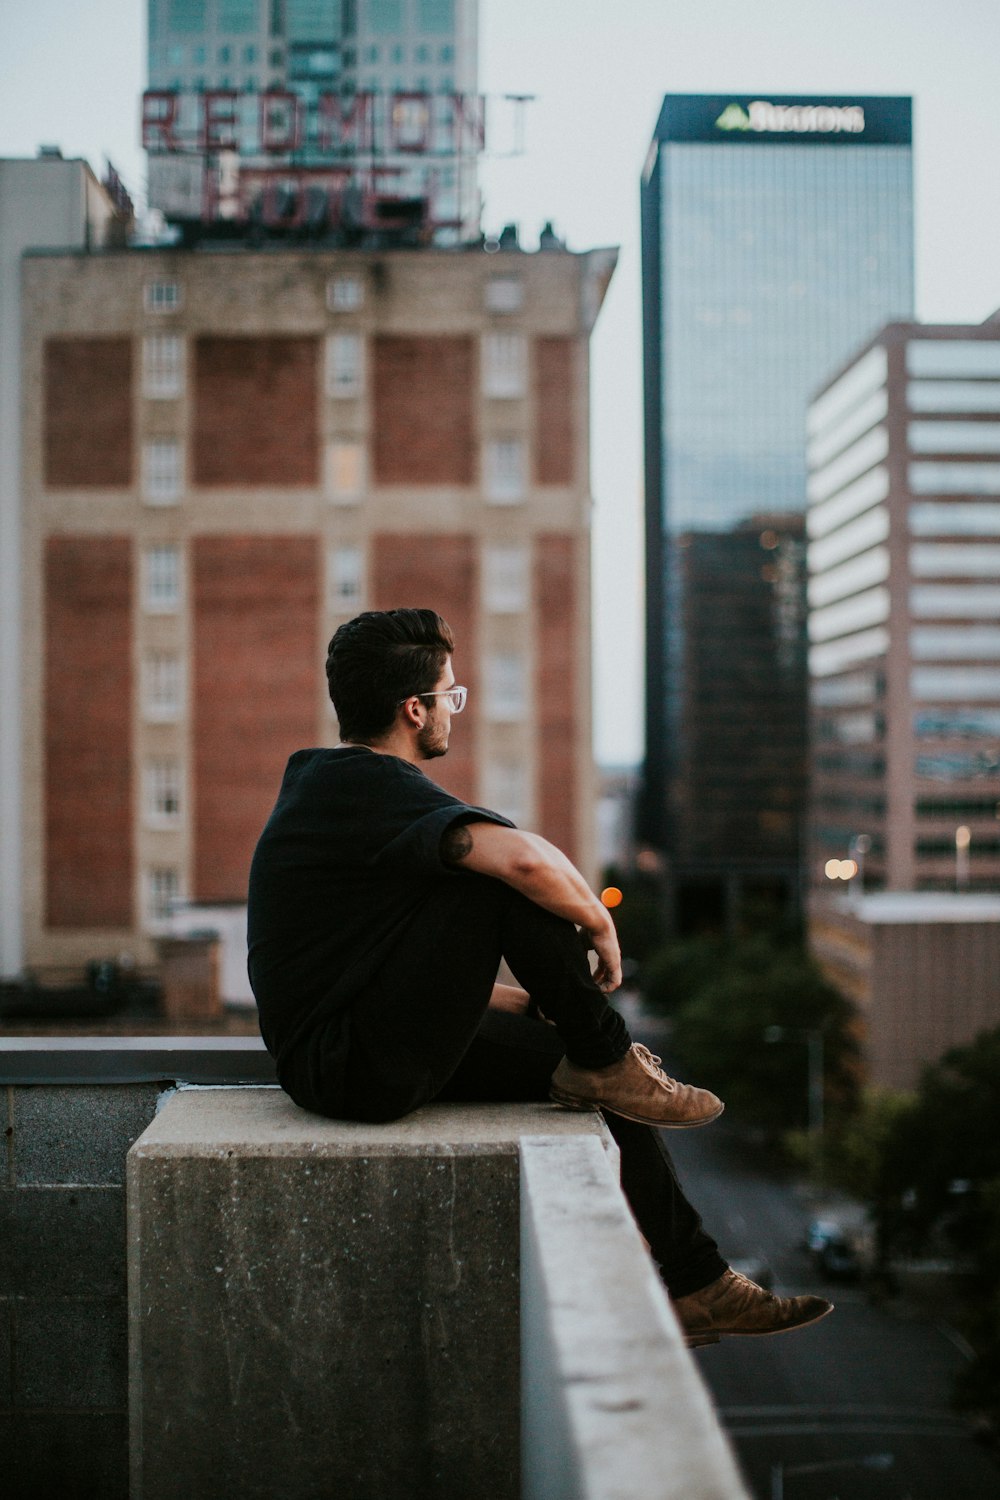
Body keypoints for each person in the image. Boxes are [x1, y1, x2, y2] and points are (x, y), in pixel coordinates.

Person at [247, 608, 832, 1346]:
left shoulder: (336, 790)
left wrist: (524, 1005)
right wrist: (598, 920)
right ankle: (610, 1053)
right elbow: (523, 861)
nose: (455, 711)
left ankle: (698, 1285)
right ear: (414, 708)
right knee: (493, 880)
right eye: (450, 696)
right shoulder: (369, 786)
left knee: (593, 1084)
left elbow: (369, 963)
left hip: (345, 1058)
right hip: (352, 1068)